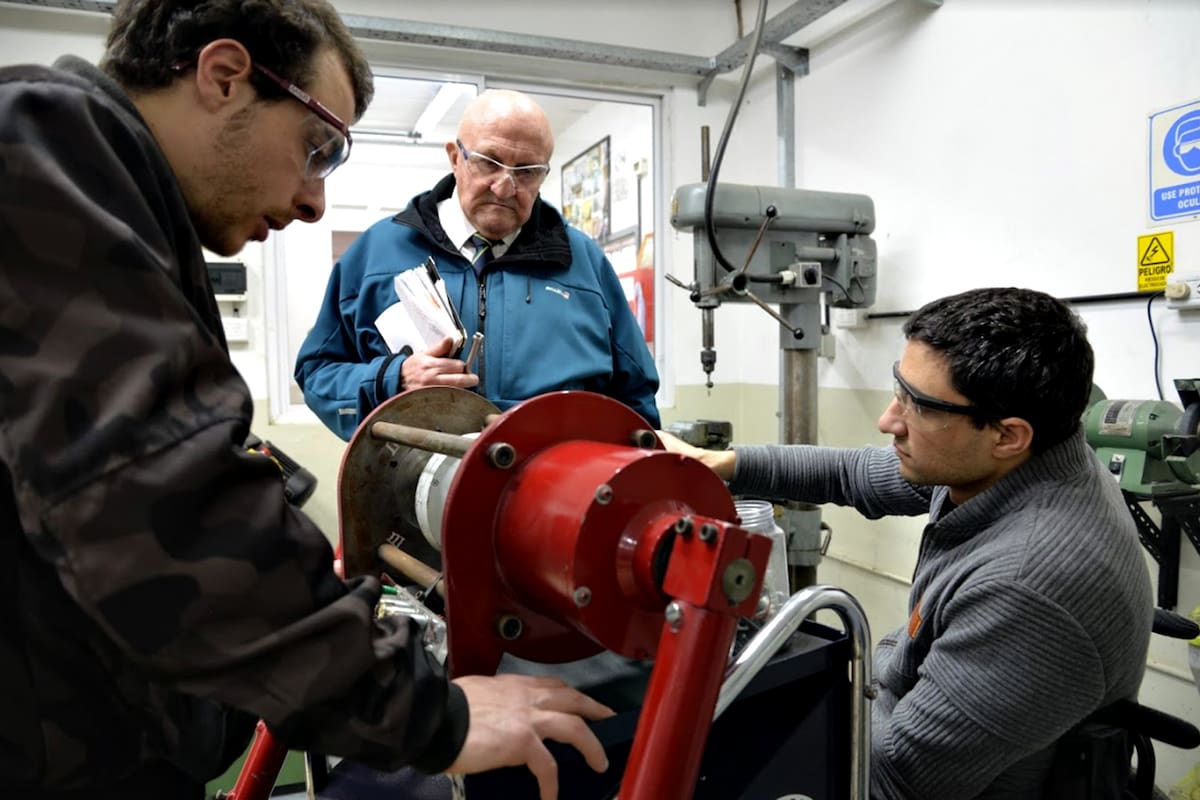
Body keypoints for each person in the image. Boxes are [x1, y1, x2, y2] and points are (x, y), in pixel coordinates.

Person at [0, 2, 612, 798]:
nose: (316, 202)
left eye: (530, 172)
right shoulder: (44, 147)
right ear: (224, 77)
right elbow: (166, 500)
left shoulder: (584, 263)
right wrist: (426, 713)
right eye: (317, 148)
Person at [659, 287, 1153, 799]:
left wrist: (835, 692)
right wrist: (717, 465)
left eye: (918, 406)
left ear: (1007, 436)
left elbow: (897, 780)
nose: (888, 420)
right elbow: (852, 474)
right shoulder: (1017, 458)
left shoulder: (1029, 586)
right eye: (901, 388)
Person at [294, 88, 661, 440]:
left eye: (526, 171)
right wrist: (394, 379)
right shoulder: (378, 253)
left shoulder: (585, 264)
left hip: (554, 479)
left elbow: (637, 403)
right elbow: (317, 372)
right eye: (488, 162)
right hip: (413, 475)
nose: (504, 187)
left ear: (544, 175)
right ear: (455, 157)